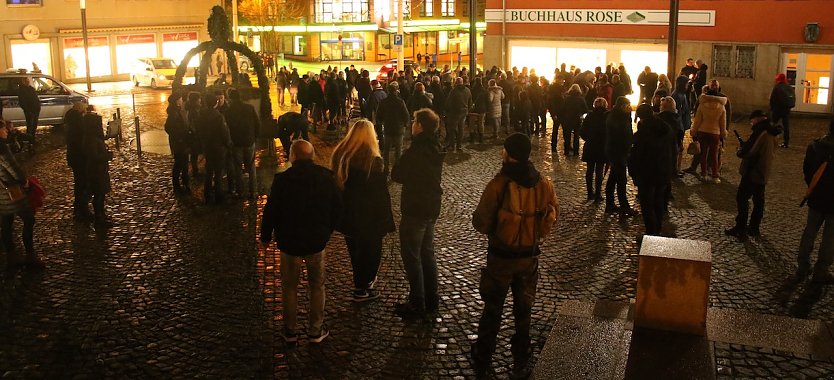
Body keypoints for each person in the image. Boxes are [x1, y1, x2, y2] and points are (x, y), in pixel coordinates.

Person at [471, 133, 559, 379]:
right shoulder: (543, 184)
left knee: (493, 307)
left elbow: (482, 221)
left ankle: (484, 352)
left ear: (508, 154)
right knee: (524, 306)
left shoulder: (499, 184)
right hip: (529, 256)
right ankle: (522, 349)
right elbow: (553, 213)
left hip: (501, 257)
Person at [261, 140, 342, 344]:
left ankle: (290, 331)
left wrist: (265, 236)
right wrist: (327, 231)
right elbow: (337, 208)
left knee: (289, 287)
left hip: (290, 243)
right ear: (312, 156)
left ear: (293, 157)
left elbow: (271, 210)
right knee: (317, 286)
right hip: (316, 242)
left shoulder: (282, 180)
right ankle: (315, 330)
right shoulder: (326, 178)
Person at [331, 120, 395, 301]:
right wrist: (385, 220)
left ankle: (360, 282)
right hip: (369, 217)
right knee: (372, 252)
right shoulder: (373, 161)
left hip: (348, 215)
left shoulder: (340, 155)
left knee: (356, 251)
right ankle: (362, 286)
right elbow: (380, 195)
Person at [391, 109, 444, 318]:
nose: (412, 124)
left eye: (414, 121)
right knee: (427, 253)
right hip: (432, 205)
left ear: (420, 126)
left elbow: (397, 173)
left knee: (412, 255)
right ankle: (432, 298)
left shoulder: (416, 150)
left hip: (415, 207)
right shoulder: (436, 146)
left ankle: (417, 302)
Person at [725, 110, 780, 240]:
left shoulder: (761, 132)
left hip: (753, 171)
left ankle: (741, 228)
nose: (751, 123)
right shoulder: (772, 132)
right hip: (763, 171)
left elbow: (751, 151)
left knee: (742, 198)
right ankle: (754, 228)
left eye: (752, 120)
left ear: (758, 119)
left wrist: (741, 151)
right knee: (758, 200)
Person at [796, 119, 834, 283]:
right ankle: (822, 269)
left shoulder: (815, 145)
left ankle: (803, 264)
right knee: (830, 237)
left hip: (816, 196)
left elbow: (807, 170)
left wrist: (813, 187)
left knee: (810, 231)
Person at [629, 104, 676, 236]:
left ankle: (651, 233)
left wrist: (633, 172)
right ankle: (658, 229)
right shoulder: (666, 128)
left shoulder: (643, 133)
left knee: (647, 204)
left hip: (647, 174)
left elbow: (636, 156)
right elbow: (674, 150)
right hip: (663, 172)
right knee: (659, 201)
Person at [0, 122, 41, 271]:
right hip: (12, 191)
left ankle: (11, 257)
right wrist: (25, 182)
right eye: (3, 128)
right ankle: (30, 256)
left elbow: (16, 150)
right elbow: (13, 168)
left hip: (1, 192)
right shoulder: (2, 148)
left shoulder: (5, 144)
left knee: (6, 223)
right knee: (29, 219)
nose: (6, 130)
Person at [225, 89, 260, 199]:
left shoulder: (228, 111)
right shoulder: (249, 108)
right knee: (251, 167)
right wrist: (255, 137)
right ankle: (253, 191)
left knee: (238, 168)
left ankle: (240, 192)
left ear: (230, 98)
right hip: (249, 141)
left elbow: (226, 128)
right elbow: (257, 123)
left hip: (236, 143)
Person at [197, 93, 232, 204]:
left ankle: (207, 194)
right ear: (215, 103)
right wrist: (228, 143)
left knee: (209, 171)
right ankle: (218, 195)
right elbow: (224, 132)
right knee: (218, 172)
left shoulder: (201, 115)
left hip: (207, 146)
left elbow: (199, 130)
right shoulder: (218, 116)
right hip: (218, 147)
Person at [604, 97, 637, 216]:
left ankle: (610, 203)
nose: (630, 107)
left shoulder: (619, 116)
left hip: (618, 152)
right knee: (621, 180)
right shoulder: (617, 117)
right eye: (628, 105)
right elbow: (621, 135)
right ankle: (624, 206)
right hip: (618, 152)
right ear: (622, 106)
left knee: (613, 178)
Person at [82, 106, 114, 227]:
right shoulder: (91, 139)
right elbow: (94, 156)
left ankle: (101, 215)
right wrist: (107, 156)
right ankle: (99, 218)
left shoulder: (92, 137)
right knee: (98, 195)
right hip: (96, 171)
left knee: (100, 194)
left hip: (99, 170)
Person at [691, 88, 727, 183]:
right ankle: (715, 175)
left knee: (703, 154)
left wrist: (694, 131)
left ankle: (704, 174)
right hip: (715, 133)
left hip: (702, 131)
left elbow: (697, 121)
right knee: (714, 155)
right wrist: (723, 134)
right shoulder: (721, 107)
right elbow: (723, 123)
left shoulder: (702, 105)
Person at [375, 82, 410, 175]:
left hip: (387, 128)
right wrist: (405, 124)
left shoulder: (383, 102)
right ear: (396, 91)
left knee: (386, 150)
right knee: (398, 150)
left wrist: (382, 121)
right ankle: (397, 169)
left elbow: (378, 115)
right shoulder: (400, 102)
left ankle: (386, 168)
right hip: (398, 129)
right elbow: (406, 115)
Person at [64, 102, 90, 220]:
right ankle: (81, 209)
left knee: (79, 182)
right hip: (79, 157)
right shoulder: (78, 122)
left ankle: (79, 207)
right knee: (82, 183)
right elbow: (80, 140)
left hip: (74, 157)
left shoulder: (71, 120)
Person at [580, 97, 608, 201]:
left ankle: (589, 193)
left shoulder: (590, 116)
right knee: (599, 171)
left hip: (591, 146)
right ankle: (598, 194)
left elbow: (582, 131)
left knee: (589, 170)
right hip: (602, 147)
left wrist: (588, 138)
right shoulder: (606, 116)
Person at [164, 94, 191, 194]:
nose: (181, 100)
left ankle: (184, 183)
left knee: (183, 164)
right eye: (180, 99)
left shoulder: (177, 112)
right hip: (179, 143)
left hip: (181, 142)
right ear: (176, 101)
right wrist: (179, 137)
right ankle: (178, 185)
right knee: (180, 164)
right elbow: (169, 128)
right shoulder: (174, 114)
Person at [444, 77, 473, 152]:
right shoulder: (467, 90)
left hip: (454, 113)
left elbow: (448, 102)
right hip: (464, 112)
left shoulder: (453, 91)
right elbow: (470, 102)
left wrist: (447, 111)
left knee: (452, 129)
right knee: (461, 129)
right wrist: (468, 110)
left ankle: (452, 145)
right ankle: (459, 145)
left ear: (456, 82)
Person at [561, 84, 588, 156]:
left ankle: (566, 151)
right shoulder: (581, 99)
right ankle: (576, 152)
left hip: (568, 118)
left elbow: (563, 109)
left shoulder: (567, 98)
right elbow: (585, 109)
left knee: (567, 136)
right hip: (577, 118)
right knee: (576, 136)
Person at [770, 73, 795, 148]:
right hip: (786, 109)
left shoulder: (777, 87)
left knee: (773, 124)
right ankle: (786, 142)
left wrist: (772, 108)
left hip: (777, 109)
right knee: (786, 126)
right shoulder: (789, 87)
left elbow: (772, 99)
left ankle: (771, 140)